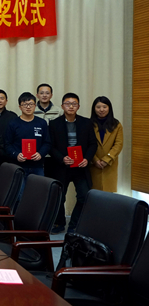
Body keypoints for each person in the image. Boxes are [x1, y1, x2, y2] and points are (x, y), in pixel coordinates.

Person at [49, 93, 97, 233]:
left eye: (74, 104)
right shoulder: (54, 124)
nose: (71, 106)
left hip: (80, 167)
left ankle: (74, 224)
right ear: (62, 106)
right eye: (67, 103)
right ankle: (59, 223)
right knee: (59, 197)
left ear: (78, 106)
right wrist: (62, 158)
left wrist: (86, 159)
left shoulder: (86, 123)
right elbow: (50, 146)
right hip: (62, 166)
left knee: (84, 195)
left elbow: (93, 144)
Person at [5, 92, 52, 197]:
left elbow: (47, 143)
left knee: (38, 195)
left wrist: (40, 154)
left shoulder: (42, 123)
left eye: (31, 104)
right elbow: (7, 144)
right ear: (20, 107)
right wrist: (16, 155)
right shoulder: (13, 123)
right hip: (18, 166)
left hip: (37, 166)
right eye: (25, 104)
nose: (28, 107)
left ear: (35, 106)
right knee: (18, 196)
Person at [89, 96, 123, 193]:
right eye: (98, 107)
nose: (101, 110)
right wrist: (95, 160)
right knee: (94, 194)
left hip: (109, 165)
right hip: (93, 165)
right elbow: (86, 144)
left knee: (108, 194)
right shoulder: (88, 124)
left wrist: (106, 159)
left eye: (104, 107)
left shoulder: (116, 124)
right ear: (94, 109)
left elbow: (118, 144)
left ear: (109, 108)